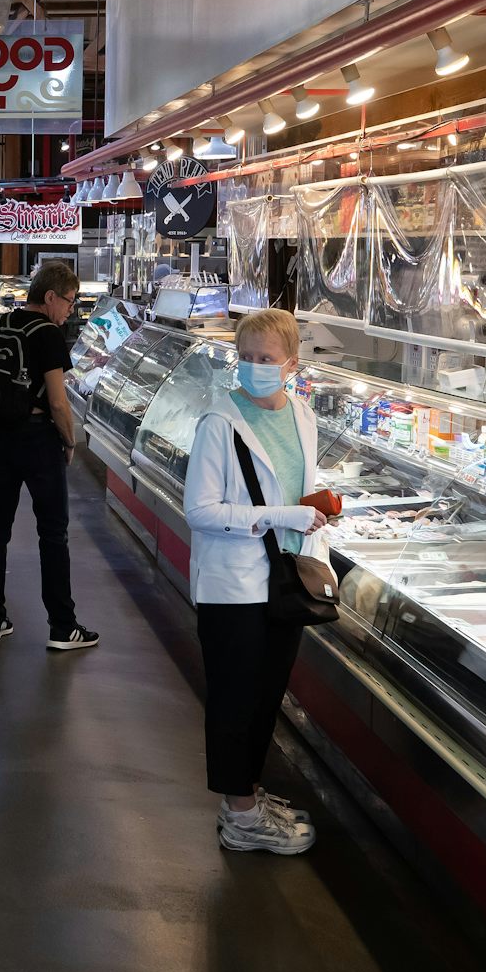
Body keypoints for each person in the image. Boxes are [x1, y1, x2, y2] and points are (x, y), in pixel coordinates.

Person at [183, 307, 324, 856]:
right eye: (245, 357)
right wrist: (279, 515)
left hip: (287, 582)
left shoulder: (303, 416)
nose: (254, 367)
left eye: (266, 358)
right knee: (234, 698)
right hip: (234, 587)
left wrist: (313, 508)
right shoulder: (221, 423)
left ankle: (245, 795)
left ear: (291, 362)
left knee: (265, 695)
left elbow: (297, 482)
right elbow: (201, 510)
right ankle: (240, 818)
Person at [0, 260, 99, 651]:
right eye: (69, 301)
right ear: (50, 297)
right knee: (53, 533)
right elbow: (59, 403)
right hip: (37, 439)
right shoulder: (48, 334)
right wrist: (69, 441)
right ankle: (62, 626)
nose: (70, 310)